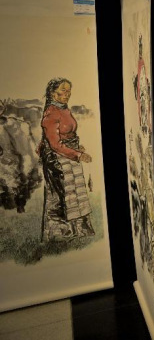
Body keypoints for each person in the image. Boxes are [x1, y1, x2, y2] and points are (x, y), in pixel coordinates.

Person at [38, 78, 95, 241]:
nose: (67, 93)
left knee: (76, 191)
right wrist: (77, 154)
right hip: (55, 158)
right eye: (63, 90)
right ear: (52, 93)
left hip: (67, 153)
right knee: (63, 194)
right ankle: (62, 234)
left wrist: (78, 147)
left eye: (69, 90)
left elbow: (67, 135)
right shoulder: (51, 112)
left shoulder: (64, 109)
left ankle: (80, 230)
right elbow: (55, 144)